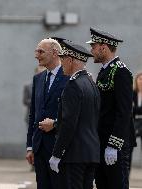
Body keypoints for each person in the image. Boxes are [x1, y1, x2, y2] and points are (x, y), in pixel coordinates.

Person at [42, 40, 101, 189]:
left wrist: (57, 153)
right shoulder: (90, 83)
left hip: (74, 155)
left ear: (70, 60)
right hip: (90, 153)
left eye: (62, 60)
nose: (61, 64)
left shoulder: (73, 86)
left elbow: (68, 123)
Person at [86, 27, 136, 189]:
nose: (91, 50)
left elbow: (124, 112)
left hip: (115, 144)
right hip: (102, 140)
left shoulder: (120, 72)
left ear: (104, 47)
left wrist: (114, 144)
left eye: (93, 47)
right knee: (102, 184)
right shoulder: (105, 71)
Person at [26, 38, 69, 189]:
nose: (36, 55)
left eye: (41, 51)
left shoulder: (69, 78)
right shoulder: (38, 79)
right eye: (36, 51)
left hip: (59, 147)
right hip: (39, 148)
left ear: (55, 53)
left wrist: (55, 124)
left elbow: (74, 114)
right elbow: (33, 114)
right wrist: (30, 146)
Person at [133, 72, 142, 144]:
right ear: (136, 80)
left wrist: (136, 109)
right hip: (135, 121)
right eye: (140, 79)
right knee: (130, 143)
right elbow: (130, 109)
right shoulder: (133, 93)